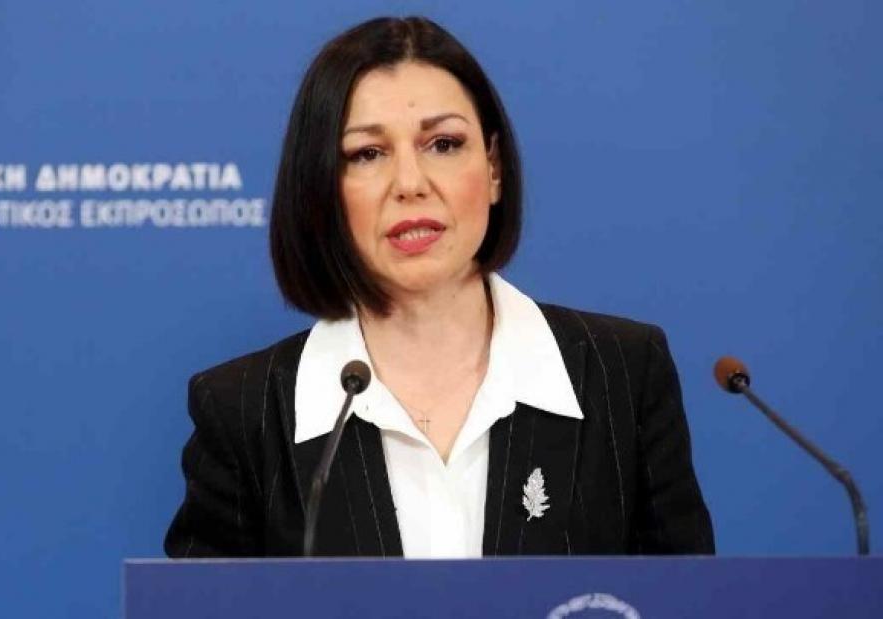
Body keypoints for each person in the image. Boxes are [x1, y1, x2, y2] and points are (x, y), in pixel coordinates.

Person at [164, 16, 714, 558]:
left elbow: (686, 597)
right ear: (322, 189)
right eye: (367, 154)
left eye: (444, 144)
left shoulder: (622, 377)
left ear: (493, 168)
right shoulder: (244, 414)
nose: (410, 184)